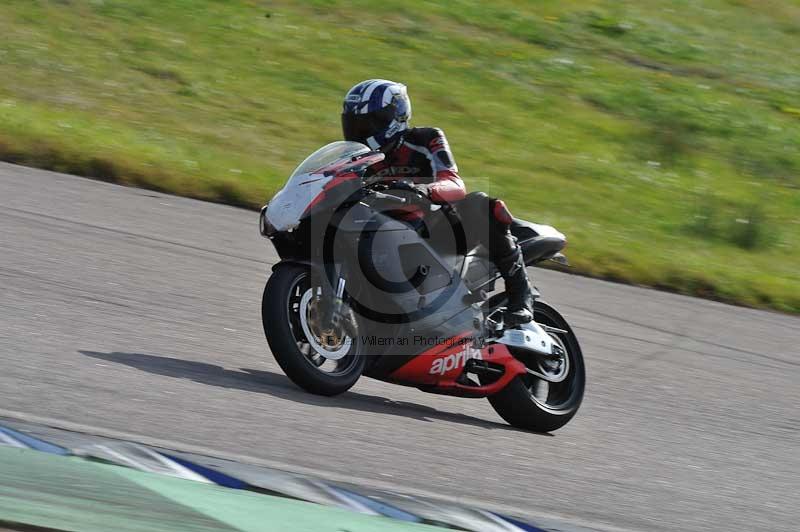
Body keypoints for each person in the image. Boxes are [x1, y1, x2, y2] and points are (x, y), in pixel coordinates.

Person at [341, 79, 535, 326]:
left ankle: (521, 296)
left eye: (370, 122)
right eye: (355, 124)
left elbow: (454, 184)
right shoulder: (355, 158)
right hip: (379, 231)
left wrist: (421, 189)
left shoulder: (425, 138)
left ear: (396, 116)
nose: (362, 131)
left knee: (480, 204)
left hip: (435, 228)